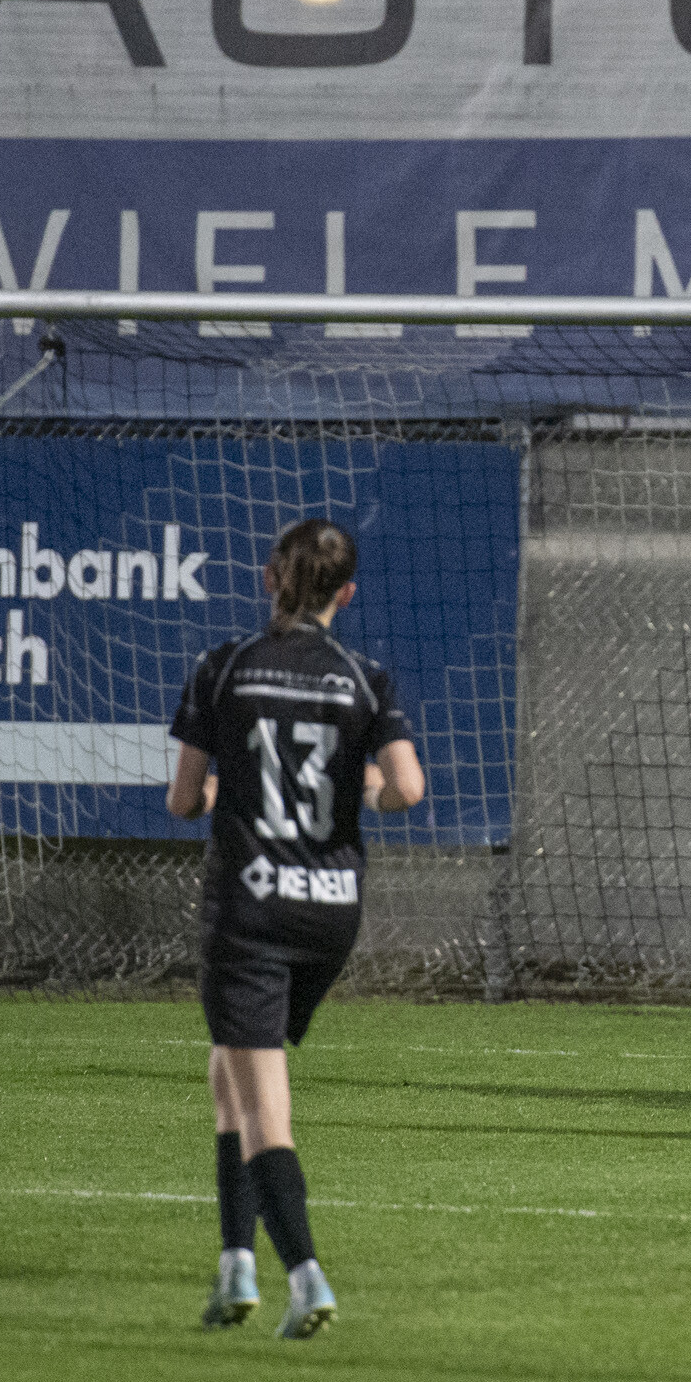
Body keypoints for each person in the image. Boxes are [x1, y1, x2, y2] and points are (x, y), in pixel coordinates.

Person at [167, 519, 425, 1338]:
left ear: (269, 577)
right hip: (330, 912)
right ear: (346, 593)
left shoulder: (225, 666)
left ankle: (305, 1276)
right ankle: (234, 1263)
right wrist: (363, 790)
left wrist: (224, 797)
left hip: (252, 910)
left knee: (265, 1107)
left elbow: (183, 800)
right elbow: (406, 790)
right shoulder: (363, 677)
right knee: (231, 1072)